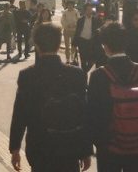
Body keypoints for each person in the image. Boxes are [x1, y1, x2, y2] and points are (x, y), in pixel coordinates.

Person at [9, 23, 92, 172]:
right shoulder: (76, 74)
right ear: (58, 42)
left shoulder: (28, 76)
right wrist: (86, 150)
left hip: (40, 147)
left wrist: (15, 148)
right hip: (69, 147)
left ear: (37, 45)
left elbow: (20, 115)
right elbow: (84, 114)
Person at [87, 22, 138, 172]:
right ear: (125, 43)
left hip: (108, 147)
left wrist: (98, 142)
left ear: (105, 46)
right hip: (137, 144)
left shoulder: (98, 76)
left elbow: (92, 114)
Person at [74, 5, 104, 73]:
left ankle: (85, 71)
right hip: (82, 41)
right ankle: (84, 74)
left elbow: (100, 29)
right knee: (83, 60)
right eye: (88, 10)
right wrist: (74, 43)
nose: (90, 11)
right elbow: (77, 31)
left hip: (92, 42)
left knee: (93, 59)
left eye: (91, 10)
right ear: (85, 11)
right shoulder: (80, 20)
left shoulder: (96, 20)